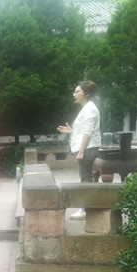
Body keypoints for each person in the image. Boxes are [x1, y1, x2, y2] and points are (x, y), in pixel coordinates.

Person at [57, 80, 101, 220]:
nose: (74, 94)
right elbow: (83, 130)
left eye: (77, 91)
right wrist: (71, 131)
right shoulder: (87, 107)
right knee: (86, 178)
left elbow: (88, 132)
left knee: (86, 179)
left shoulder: (89, 108)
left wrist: (81, 151)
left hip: (87, 149)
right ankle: (87, 208)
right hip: (87, 147)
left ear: (86, 93)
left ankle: (85, 210)